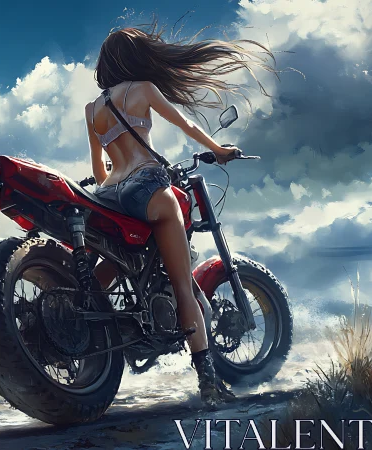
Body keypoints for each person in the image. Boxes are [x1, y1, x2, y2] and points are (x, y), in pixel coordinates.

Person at [84, 25, 275, 407]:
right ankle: (208, 383)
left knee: (113, 262)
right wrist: (218, 149)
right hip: (147, 186)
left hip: (109, 195)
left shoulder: (92, 110)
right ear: (137, 58)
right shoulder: (143, 90)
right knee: (183, 285)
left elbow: (99, 170)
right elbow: (185, 125)